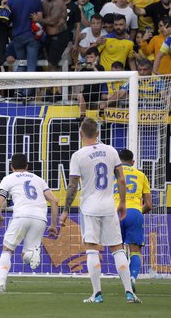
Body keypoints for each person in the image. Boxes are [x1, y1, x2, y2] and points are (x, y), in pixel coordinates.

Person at [59, 118, 141, 303]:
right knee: (117, 249)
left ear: (81, 134)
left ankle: (97, 294)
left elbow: (72, 186)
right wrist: (123, 202)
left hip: (89, 208)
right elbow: (121, 179)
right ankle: (129, 292)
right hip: (109, 206)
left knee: (92, 250)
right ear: (97, 133)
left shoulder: (78, 155)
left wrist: (65, 210)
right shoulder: (111, 151)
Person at [0, 154, 59, 293]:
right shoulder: (38, 179)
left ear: (11, 167)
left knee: (7, 250)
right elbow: (54, 201)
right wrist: (53, 225)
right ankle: (33, 253)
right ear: (27, 166)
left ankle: (2, 285)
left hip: (21, 216)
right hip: (40, 218)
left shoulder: (8, 179)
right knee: (26, 257)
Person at [115, 148, 152, 290]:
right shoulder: (141, 175)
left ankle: (125, 280)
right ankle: (132, 277)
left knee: (118, 250)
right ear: (133, 162)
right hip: (134, 212)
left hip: (116, 213)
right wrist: (137, 211)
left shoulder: (113, 173)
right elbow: (149, 205)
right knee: (135, 250)